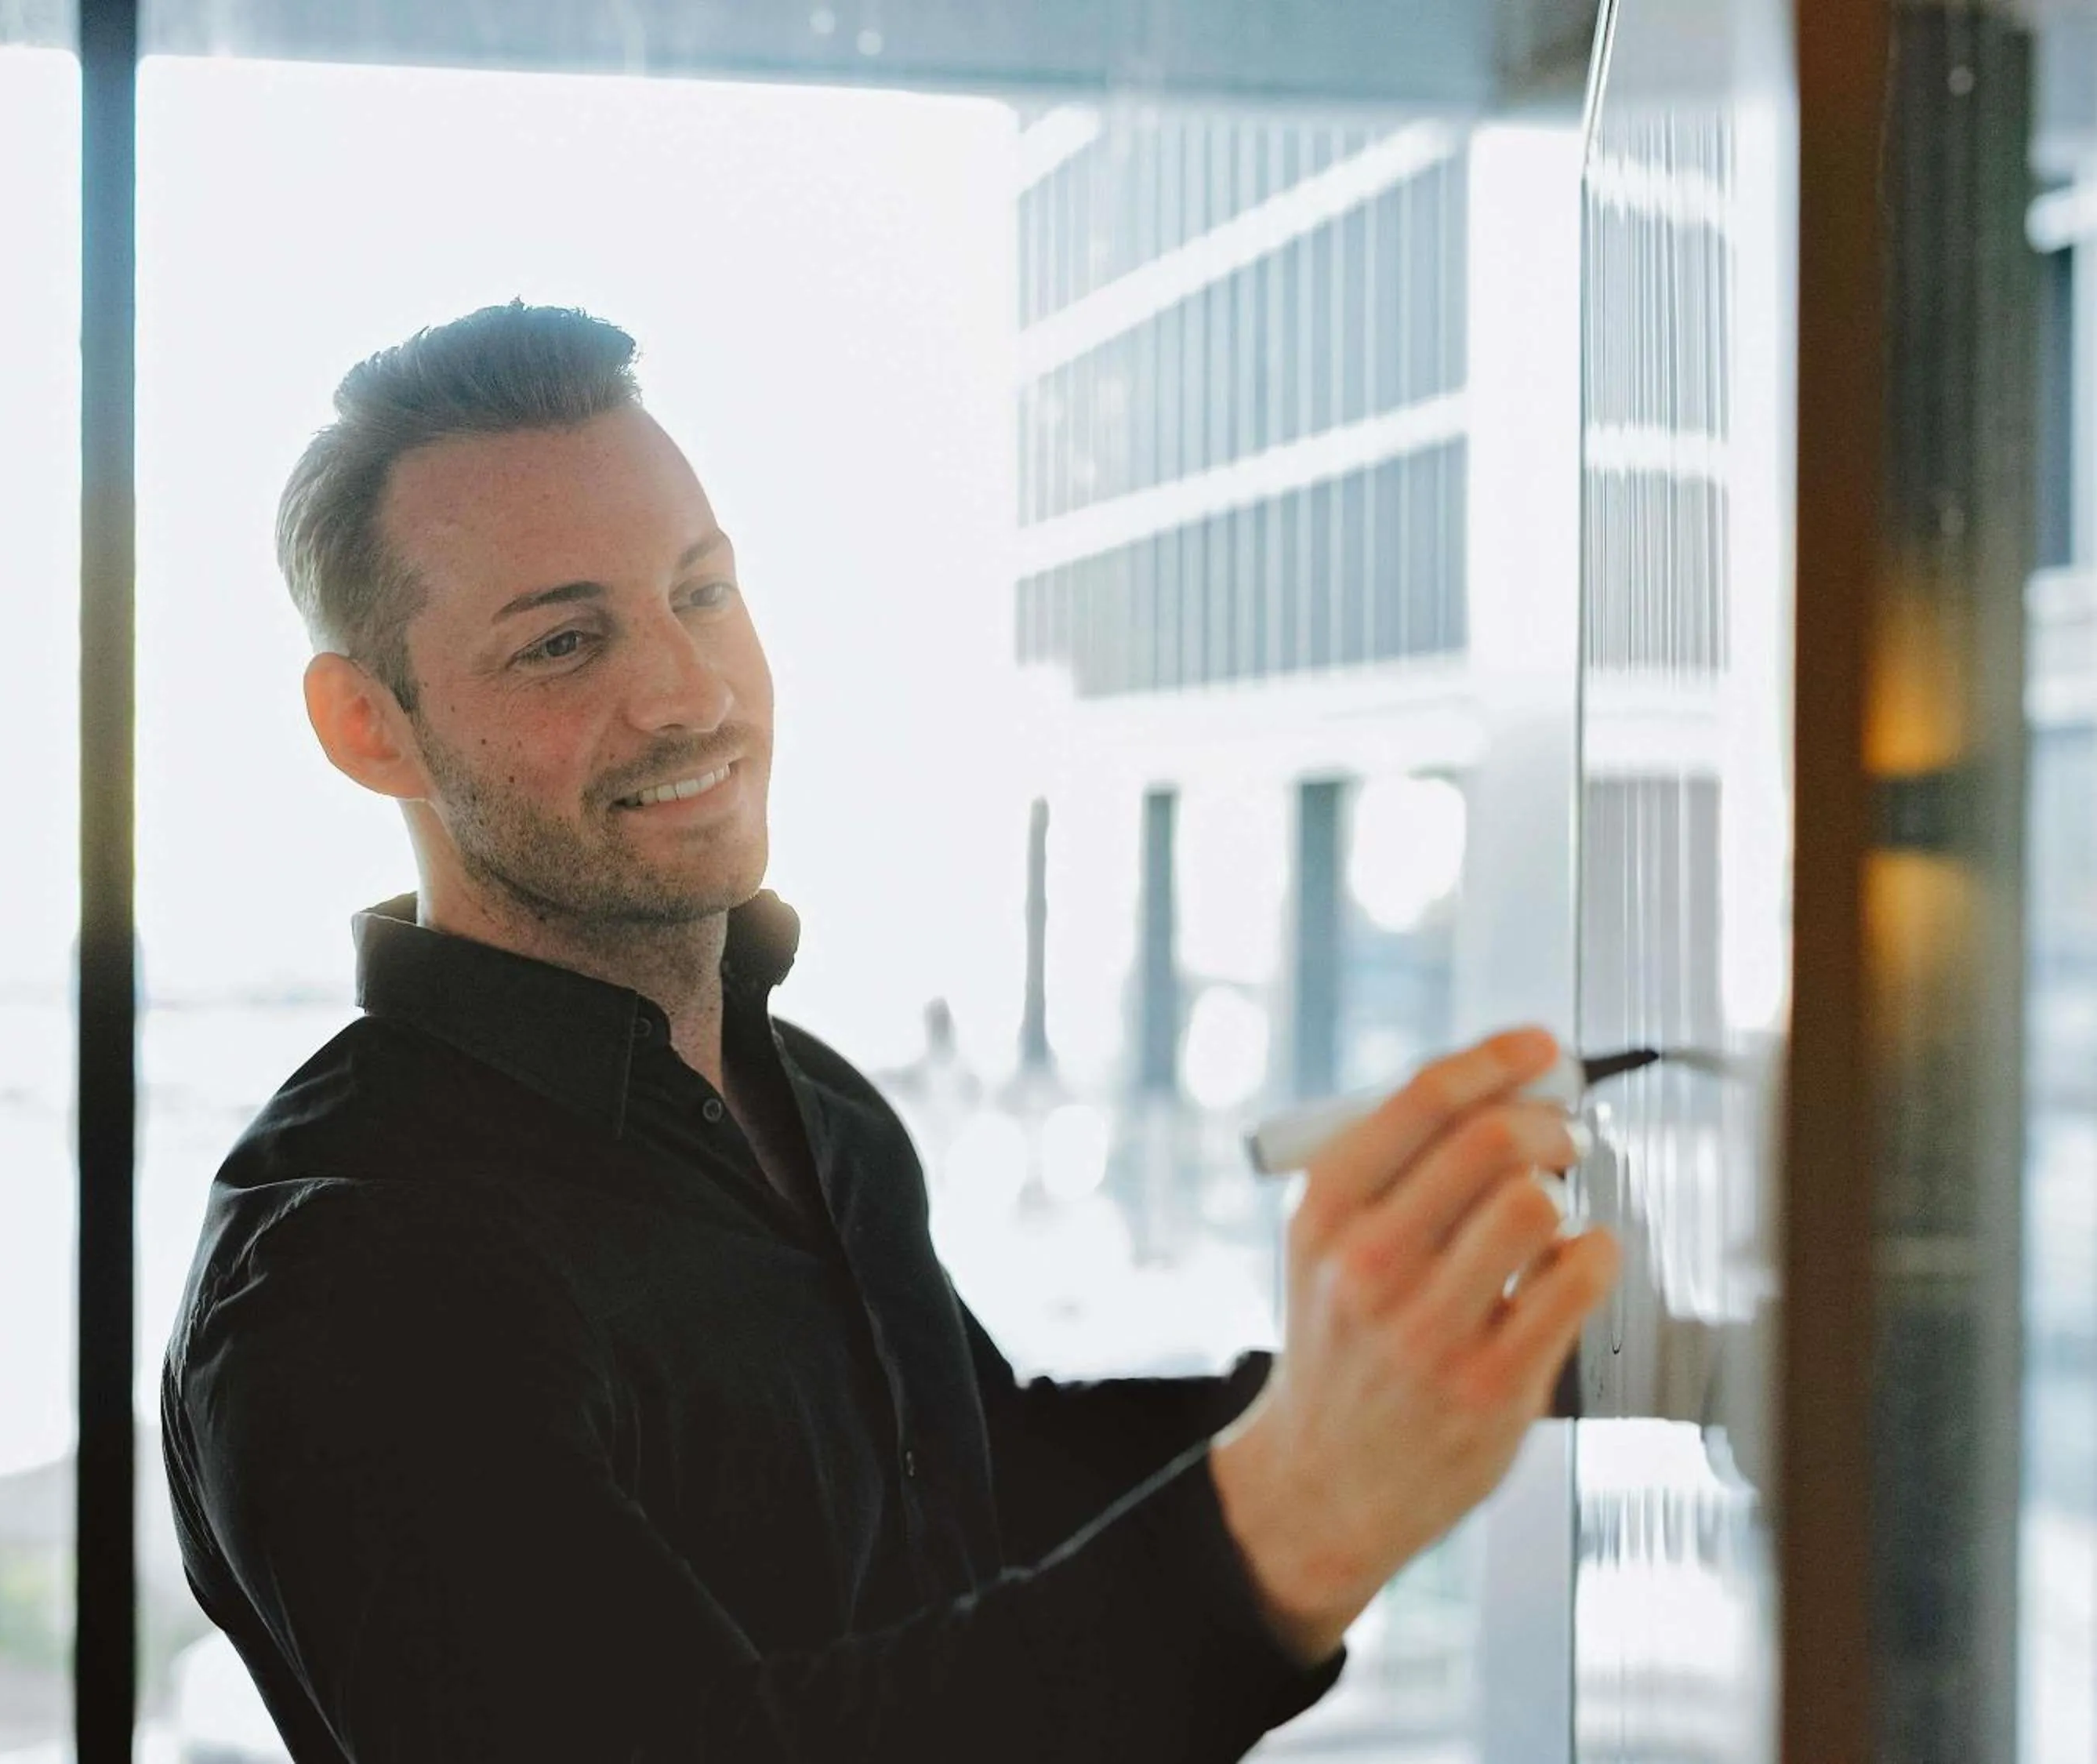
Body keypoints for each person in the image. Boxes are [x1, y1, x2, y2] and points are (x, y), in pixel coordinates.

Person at [159, 302, 1619, 1763]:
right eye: (563, 642)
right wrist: (1295, 1523)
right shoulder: (345, 1270)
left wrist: (1516, 1357)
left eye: (704, 592)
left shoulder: (813, 1099)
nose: (690, 692)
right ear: (369, 724)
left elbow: (981, 1470)